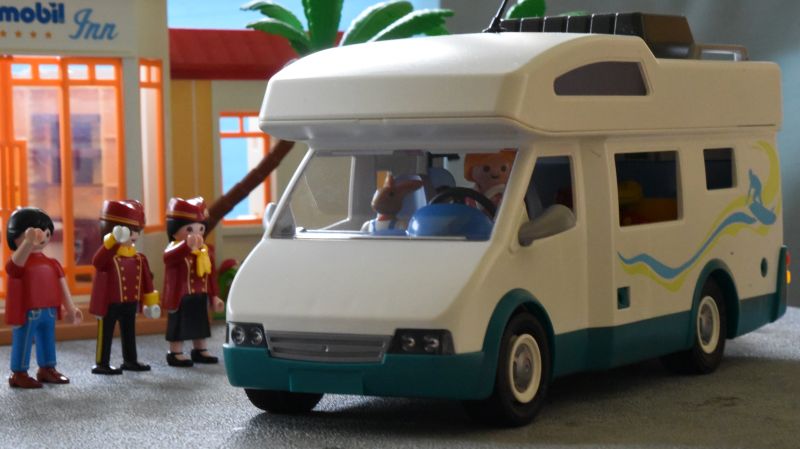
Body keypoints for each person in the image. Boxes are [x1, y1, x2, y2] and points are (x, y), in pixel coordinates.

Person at [5, 207, 83, 388]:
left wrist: (71, 308)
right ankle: (19, 373)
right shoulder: (18, 261)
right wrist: (27, 242)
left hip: (49, 311)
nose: (41, 238)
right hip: (27, 311)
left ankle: (47, 368)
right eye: (35, 233)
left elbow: (62, 287)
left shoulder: (52, 263)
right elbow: (14, 267)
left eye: (46, 233)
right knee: (23, 340)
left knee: (47, 339)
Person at [89, 200, 160, 375]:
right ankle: (102, 363)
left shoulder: (138, 258)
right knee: (106, 333)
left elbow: (147, 281)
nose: (134, 235)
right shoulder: (109, 256)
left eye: (137, 230)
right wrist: (112, 241)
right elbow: (97, 261)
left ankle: (130, 360)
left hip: (130, 302)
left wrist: (150, 302)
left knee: (129, 332)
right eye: (130, 230)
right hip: (109, 303)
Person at [163, 197, 224, 367]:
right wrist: (186, 247)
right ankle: (175, 352)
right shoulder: (174, 249)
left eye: (200, 228)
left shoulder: (205, 252)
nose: (196, 233)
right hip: (180, 296)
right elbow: (168, 258)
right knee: (179, 325)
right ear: (174, 230)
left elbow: (210, 276)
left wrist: (214, 296)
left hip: (199, 295)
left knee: (200, 323)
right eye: (189, 229)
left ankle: (200, 349)